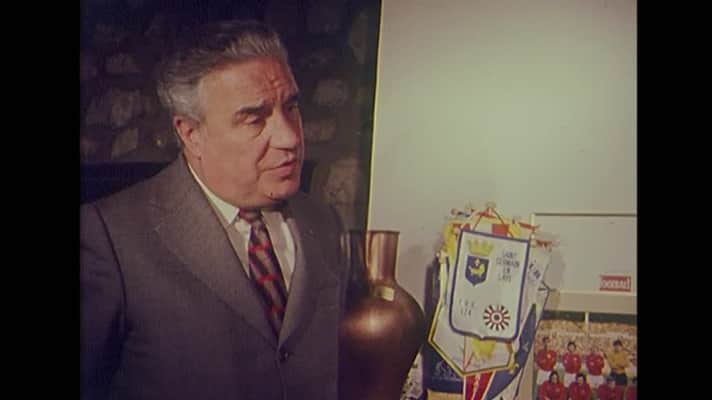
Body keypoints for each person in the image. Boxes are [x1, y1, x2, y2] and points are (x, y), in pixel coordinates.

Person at [80, 19, 361, 400]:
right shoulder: (110, 238)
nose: (290, 137)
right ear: (191, 133)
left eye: (291, 107)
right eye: (254, 118)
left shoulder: (323, 223)